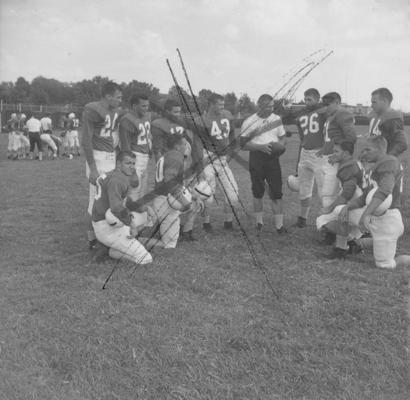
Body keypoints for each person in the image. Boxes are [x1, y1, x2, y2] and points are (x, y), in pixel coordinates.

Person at [337, 136, 410, 268]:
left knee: (384, 265)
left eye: (368, 149)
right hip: (374, 215)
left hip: (388, 219)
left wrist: (365, 215)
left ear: (380, 149)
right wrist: (347, 207)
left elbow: (384, 190)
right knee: (340, 212)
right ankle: (346, 247)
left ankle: (403, 258)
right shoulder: (374, 167)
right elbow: (365, 197)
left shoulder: (389, 161)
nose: (363, 153)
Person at [81, 81, 123, 249]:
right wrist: (93, 168)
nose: (121, 100)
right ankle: (92, 241)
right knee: (95, 202)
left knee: (107, 200)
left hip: (110, 158)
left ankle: (103, 238)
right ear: (108, 96)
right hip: (98, 158)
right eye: (118, 97)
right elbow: (86, 141)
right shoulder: (93, 109)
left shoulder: (115, 111)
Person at [92, 151, 152, 265]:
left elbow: (123, 201)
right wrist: (132, 225)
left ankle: (108, 247)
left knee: (145, 216)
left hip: (106, 222)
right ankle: (110, 249)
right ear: (119, 164)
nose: (132, 167)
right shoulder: (118, 180)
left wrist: (145, 208)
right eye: (128, 163)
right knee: (146, 259)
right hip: (108, 226)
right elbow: (116, 208)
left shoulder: (112, 175)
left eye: (133, 163)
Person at [140, 133, 199, 248]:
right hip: (166, 201)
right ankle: (136, 239)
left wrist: (193, 197)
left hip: (165, 199)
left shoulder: (170, 155)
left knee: (196, 203)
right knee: (170, 244)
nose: (186, 147)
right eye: (184, 144)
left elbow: (177, 184)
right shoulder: (175, 157)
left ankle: (161, 222)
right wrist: (186, 203)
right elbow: (170, 184)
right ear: (177, 146)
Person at [240, 94, 287, 232]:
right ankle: (259, 223)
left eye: (272, 106)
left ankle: (280, 226)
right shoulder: (249, 122)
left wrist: (280, 146)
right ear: (259, 106)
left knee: (277, 192)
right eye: (268, 107)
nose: (271, 109)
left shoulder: (276, 119)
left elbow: (283, 137)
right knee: (258, 191)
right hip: (257, 157)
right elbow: (242, 144)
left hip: (272, 158)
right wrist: (260, 147)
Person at [283, 88, 327, 227]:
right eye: (306, 99)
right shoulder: (301, 114)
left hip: (320, 153)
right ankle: (302, 218)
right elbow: (302, 138)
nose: (307, 102)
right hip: (305, 152)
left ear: (318, 99)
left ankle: (327, 222)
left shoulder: (324, 110)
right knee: (304, 187)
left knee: (323, 190)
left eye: (310, 99)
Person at [196, 93, 239, 231]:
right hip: (208, 157)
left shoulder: (227, 115)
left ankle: (228, 222)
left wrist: (231, 150)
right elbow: (197, 145)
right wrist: (200, 166)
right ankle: (206, 223)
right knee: (207, 194)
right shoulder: (202, 120)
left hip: (223, 159)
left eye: (223, 104)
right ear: (211, 104)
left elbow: (232, 134)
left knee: (233, 194)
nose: (222, 107)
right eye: (219, 104)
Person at [315, 141, 364, 257]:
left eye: (336, 151)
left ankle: (344, 247)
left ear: (346, 153)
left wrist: (329, 208)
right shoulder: (352, 162)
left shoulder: (348, 167)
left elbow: (347, 193)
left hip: (360, 209)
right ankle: (353, 243)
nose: (333, 154)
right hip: (363, 206)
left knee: (323, 221)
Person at [319, 92, 356, 209]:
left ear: (337, 102)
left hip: (336, 159)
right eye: (323, 105)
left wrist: (340, 155)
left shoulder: (342, 114)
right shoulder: (331, 116)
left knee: (328, 193)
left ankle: (330, 221)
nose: (325, 108)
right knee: (326, 193)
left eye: (328, 105)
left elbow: (351, 138)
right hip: (328, 158)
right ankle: (331, 220)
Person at [119, 94, 152, 201]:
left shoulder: (147, 116)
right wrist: (132, 172)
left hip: (144, 158)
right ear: (134, 106)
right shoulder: (127, 120)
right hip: (134, 157)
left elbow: (147, 135)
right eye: (143, 106)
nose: (146, 108)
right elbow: (125, 147)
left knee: (142, 193)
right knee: (133, 193)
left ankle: (138, 216)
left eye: (147, 106)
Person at [151, 98, 193, 164]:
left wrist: (184, 158)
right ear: (167, 112)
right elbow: (157, 151)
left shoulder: (181, 123)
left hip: (180, 160)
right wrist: (160, 166)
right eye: (175, 112)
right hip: (166, 159)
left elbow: (186, 142)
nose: (178, 114)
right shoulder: (158, 124)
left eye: (179, 112)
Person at [368, 88, 408, 156]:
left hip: (385, 163)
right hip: (375, 161)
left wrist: (387, 158)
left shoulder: (393, 118)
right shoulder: (376, 115)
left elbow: (402, 144)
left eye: (374, 102)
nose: (371, 105)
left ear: (384, 101)